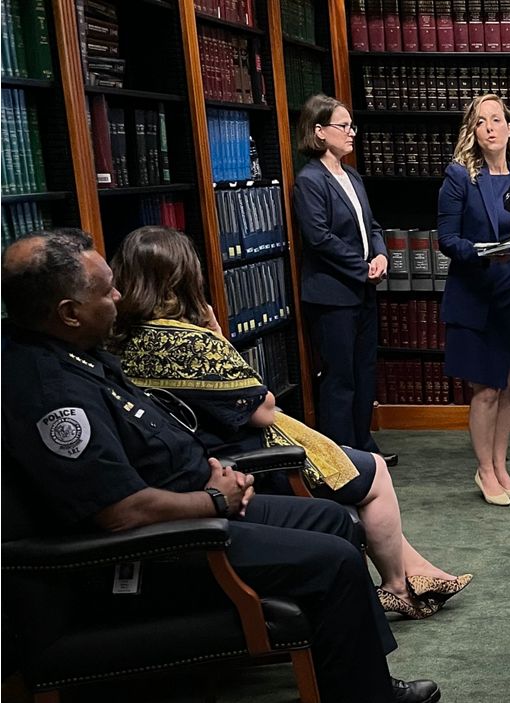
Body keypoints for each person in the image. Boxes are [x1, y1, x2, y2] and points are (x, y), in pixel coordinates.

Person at [0, 229, 439, 703]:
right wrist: (211, 498)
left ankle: (355, 678)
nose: (119, 297)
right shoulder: (52, 393)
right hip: (162, 547)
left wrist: (209, 479)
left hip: (191, 508)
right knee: (335, 561)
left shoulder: (79, 355)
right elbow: (119, 512)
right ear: (69, 313)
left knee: (334, 520)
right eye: (106, 291)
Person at [107, 226, 472, 620]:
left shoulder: (115, 342)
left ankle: (418, 572)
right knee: (374, 471)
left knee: (360, 471)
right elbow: (262, 407)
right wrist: (217, 336)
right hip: (245, 461)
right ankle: (397, 586)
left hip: (196, 458)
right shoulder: (190, 343)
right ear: (185, 277)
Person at [436, 93, 510, 506]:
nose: (489, 127)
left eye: (496, 119)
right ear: (473, 131)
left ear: (509, 127)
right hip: (477, 296)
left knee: (508, 388)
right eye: (481, 121)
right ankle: (484, 470)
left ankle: (501, 467)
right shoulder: (459, 177)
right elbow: (447, 239)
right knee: (486, 388)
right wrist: (485, 252)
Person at [291, 94, 396, 466]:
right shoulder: (309, 180)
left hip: (363, 290)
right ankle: (341, 457)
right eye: (344, 126)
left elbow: (373, 226)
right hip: (332, 296)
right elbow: (319, 238)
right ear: (320, 131)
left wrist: (381, 255)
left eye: (352, 125)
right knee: (340, 377)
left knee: (365, 372)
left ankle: (363, 446)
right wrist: (362, 267)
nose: (352, 132)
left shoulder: (351, 175)